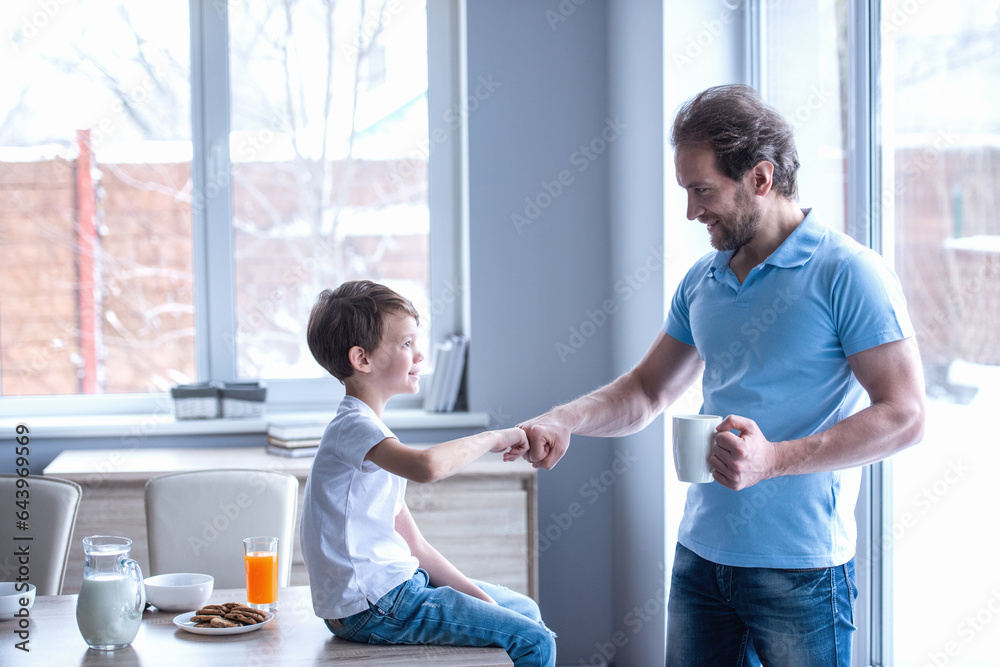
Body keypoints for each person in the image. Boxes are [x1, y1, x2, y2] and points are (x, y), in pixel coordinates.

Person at [518, 84, 925, 666]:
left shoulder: (850, 273)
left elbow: (906, 415)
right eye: (686, 191)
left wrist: (774, 459)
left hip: (802, 569)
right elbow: (646, 390)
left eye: (702, 190)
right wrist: (564, 419)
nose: (691, 211)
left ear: (760, 178)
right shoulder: (702, 281)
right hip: (701, 559)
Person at [300, 280, 556, 666]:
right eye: (406, 344)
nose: (420, 355)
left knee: (525, 612)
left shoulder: (372, 438)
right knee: (537, 643)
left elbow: (417, 550)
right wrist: (496, 437)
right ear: (362, 359)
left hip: (399, 589)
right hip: (374, 605)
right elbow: (428, 467)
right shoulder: (353, 428)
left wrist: (488, 608)